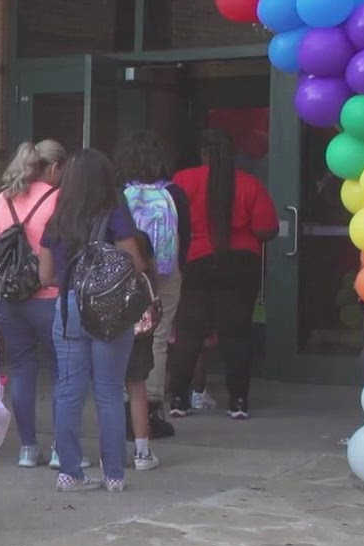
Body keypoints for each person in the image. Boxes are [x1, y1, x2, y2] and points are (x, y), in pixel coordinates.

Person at [38, 148, 146, 493]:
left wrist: (74, 284)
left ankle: (69, 473)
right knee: (110, 392)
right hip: (109, 311)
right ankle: (113, 474)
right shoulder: (114, 214)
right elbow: (135, 264)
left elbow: (45, 275)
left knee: (69, 390)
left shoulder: (57, 218)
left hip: (69, 307)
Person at [167, 129, 277, 420]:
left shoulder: (183, 180)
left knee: (188, 333)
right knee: (237, 334)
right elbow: (268, 230)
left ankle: (179, 400)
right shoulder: (249, 183)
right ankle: (238, 402)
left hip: (195, 262)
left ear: (203, 153)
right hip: (241, 264)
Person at [0, 140, 66, 469]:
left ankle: (27, 448)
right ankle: (61, 450)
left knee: (21, 369)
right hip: (48, 297)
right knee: (63, 373)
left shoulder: (3, 198)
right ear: (51, 167)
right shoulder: (57, 198)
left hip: (9, 297)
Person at [114, 131, 191, 423]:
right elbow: (186, 236)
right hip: (166, 274)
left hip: (124, 274)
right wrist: (173, 269)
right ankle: (153, 405)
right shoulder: (174, 193)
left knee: (124, 334)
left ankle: (126, 400)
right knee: (158, 337)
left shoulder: (119, 192)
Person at [125, 232, 165, 473]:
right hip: (138, 333)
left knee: (106, 391)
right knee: (137, 390)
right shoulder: (146, 279)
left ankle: (110, 451)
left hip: (108, 330)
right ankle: (142, 451)